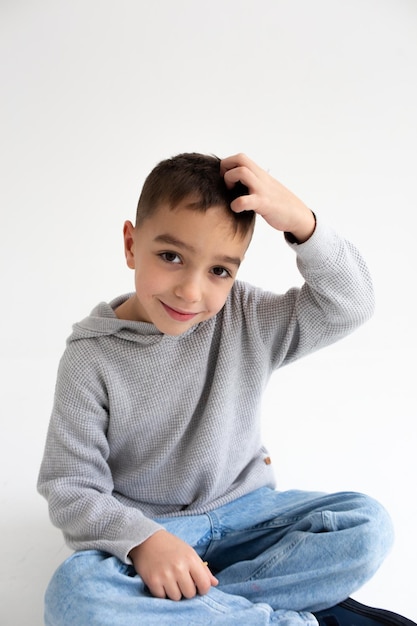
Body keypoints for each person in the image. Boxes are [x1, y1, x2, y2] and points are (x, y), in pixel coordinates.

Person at [37, 153, 412, 626]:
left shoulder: (245, 316)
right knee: (74, 595)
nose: (191, 292)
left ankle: (192, 607)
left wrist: (303, 223)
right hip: (156, 536)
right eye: (171, 257)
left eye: (220, 270)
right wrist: (144, 542)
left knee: (368, 526)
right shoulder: (91, 357)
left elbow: (350, 304)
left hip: (252, 518)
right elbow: (71, 486)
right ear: (132, 245)